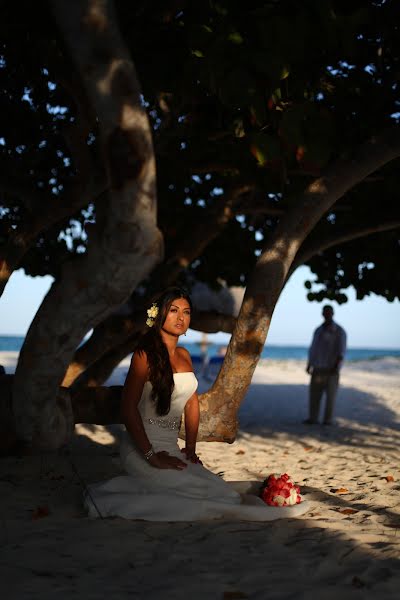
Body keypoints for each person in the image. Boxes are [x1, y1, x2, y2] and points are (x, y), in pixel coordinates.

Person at [84, 287, 308, 521]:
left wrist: (190, 448)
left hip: (171, 447)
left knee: (222, 492)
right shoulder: (143, 355)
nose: (181, 317)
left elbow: (191, 404)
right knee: (213, 496)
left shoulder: (184, 356)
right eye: (173, 310)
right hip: (141, 449)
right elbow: (127, 410)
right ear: (159, 314)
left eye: (187, 312)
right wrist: (152, 456)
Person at [304, 304, 347, 426]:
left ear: (332, 313)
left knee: (331, 397)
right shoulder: (318, 330)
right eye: (325, 312)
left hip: (331, 370)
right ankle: (313, 418)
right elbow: (313, 349)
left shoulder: (339, 331)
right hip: (318, 368)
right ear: (322, 314)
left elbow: (341, 351)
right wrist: (309, 364)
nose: (327, 314)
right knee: (314, 396)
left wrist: (336, 367)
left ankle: (327, 420)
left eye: (329, 312)